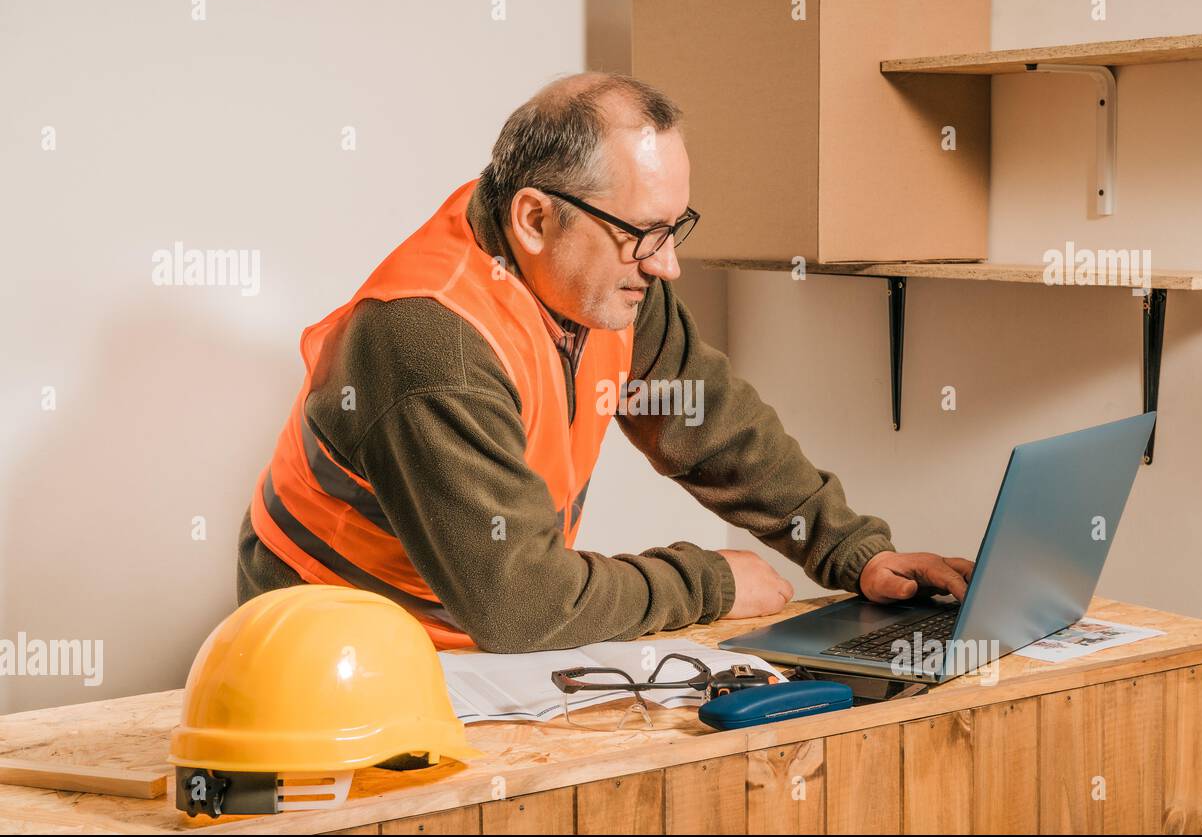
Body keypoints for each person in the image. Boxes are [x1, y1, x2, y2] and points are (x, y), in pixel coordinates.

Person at [236, 72, 973, 652]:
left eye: (675, 227)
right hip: (333, 639)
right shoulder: (430, 341)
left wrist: (853, 552)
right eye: (646, 233)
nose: (669, 265)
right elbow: (518, 603)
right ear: (533, 217)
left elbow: (711, 424)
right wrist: (708, 582)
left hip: (486, 627)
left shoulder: (600, 268)